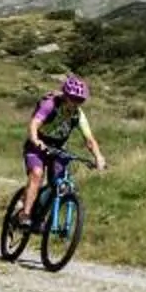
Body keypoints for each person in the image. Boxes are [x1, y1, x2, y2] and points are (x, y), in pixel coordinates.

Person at [21, 72, 104, 217]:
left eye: (80, 100)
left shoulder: (78, 115)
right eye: (73, 98)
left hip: (58, 148)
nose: (76, 103)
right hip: (37, 145)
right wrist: (36, 140)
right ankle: (25, 214)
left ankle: (41, 216)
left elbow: (89, 139)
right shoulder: (50, 104)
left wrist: (98, 157)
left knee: (59, 184)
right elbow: (34, 123)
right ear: (65, 96)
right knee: (37, 174)